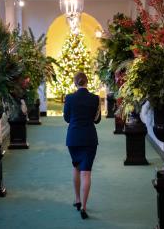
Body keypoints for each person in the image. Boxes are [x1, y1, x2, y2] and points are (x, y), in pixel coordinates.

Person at [63, 72, 101, 219]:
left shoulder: (69, 98)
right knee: (86, 173)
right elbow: (97, 120)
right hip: (89, 138)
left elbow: (66, 118)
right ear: (87, 82)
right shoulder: (95, 99)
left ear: (75, 83)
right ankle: (84, 208)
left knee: (76, 167)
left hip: (73, 138)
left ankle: (77, 200)